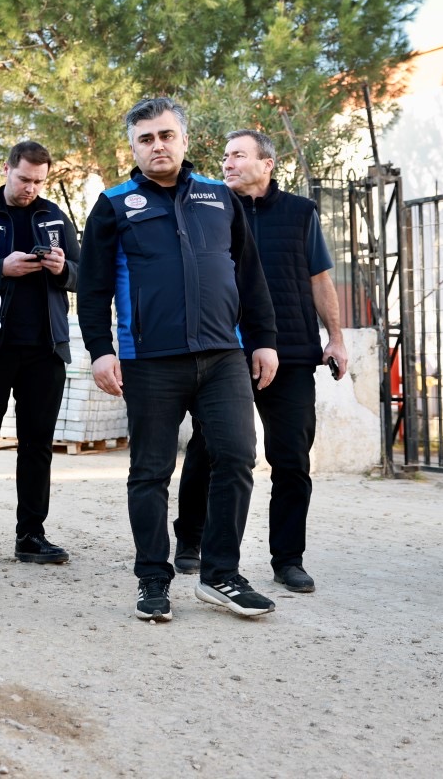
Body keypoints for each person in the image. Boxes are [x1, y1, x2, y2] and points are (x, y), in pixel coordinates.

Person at [77, 97, 279, 623]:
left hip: (223, 355)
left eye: (166, 135)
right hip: (149, 361)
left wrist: (263, 339)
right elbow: (93, 288)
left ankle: (221, 575)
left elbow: (249, 275)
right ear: (133, 148)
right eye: (146, 139)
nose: (157, 146)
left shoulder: (218, 196)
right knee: (150, 472)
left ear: (185, 140)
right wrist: (101, 351)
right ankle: (152, 579)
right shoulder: (114, 204)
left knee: (236, 456)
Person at [173, 130, 347, 594]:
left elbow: (320, 279)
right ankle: (189, 541)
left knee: (291, 458)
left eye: (238, 155)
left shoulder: (300, 213)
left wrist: (336, 338)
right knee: (210, 450)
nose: (227, 163)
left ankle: (288, 558)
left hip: (290, 351)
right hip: (224, 350)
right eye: (225, 155)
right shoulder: (206, 208)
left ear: (267, 163)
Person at [0, 141, 80, 566]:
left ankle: (30, 536)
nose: (30, 188)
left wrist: (63, 267)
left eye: (38, 181)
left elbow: (84, 275)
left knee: (37, 444)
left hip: (46, 350)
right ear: (6, 168)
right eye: (24, 178)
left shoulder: (55, 218)